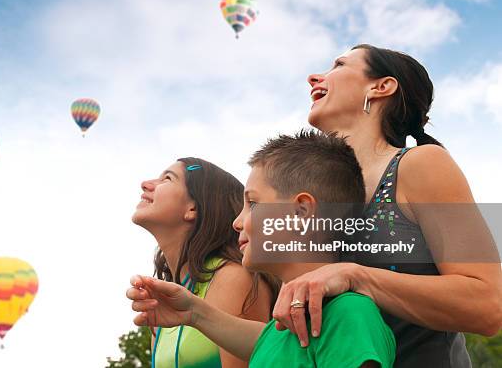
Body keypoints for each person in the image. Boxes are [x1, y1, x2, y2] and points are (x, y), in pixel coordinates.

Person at [273, 44, 502, 367]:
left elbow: (487, 305)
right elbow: (287, 336)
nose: (313, 78)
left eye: (338, 65)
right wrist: (198, 314)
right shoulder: (314, 201)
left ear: (381, 87)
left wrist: (356, 276)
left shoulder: (420, 164)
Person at [128, 131, 396, 367]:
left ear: (300, 212)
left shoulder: (349, 313)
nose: (236, 222)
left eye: (253, 204)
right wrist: (193, 313)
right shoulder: (277, 332)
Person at [132, 157, 278, 368]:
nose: (146, 184)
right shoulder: (164, 300)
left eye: (167, 178)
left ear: (193, 208)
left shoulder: (231, 277)